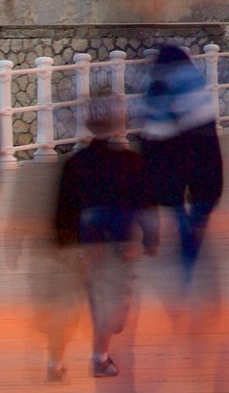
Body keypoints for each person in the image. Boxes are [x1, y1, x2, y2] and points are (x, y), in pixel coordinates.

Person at [54, 95, 157, 381]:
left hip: (89, 242)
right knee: (115, 306)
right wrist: (151, 238)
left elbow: (65, 206)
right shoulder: (132, 162)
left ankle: (86, 355)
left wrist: (65, 241)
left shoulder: (76, 164)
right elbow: (145, 204)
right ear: (121, 123)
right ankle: (99, 357)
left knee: (97, 299)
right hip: (121, 242)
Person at [135, 44, 224, 287]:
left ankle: (187, 252)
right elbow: (204, 131)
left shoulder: (155, 86)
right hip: (201, 150)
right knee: (199, 210)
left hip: (166, 156)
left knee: (178, 211)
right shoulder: (194, 83)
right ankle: (190, 253)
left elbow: (152, 133)